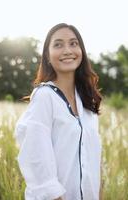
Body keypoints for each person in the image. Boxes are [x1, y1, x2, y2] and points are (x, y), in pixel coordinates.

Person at [14, 23, 103, 200]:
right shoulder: (44, 97)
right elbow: (36, 159)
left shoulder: (87, 100)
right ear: (47, 55)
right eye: (58, 44)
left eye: (73, 43)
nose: (67, 50)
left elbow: (95, 161)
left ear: (82, 51)